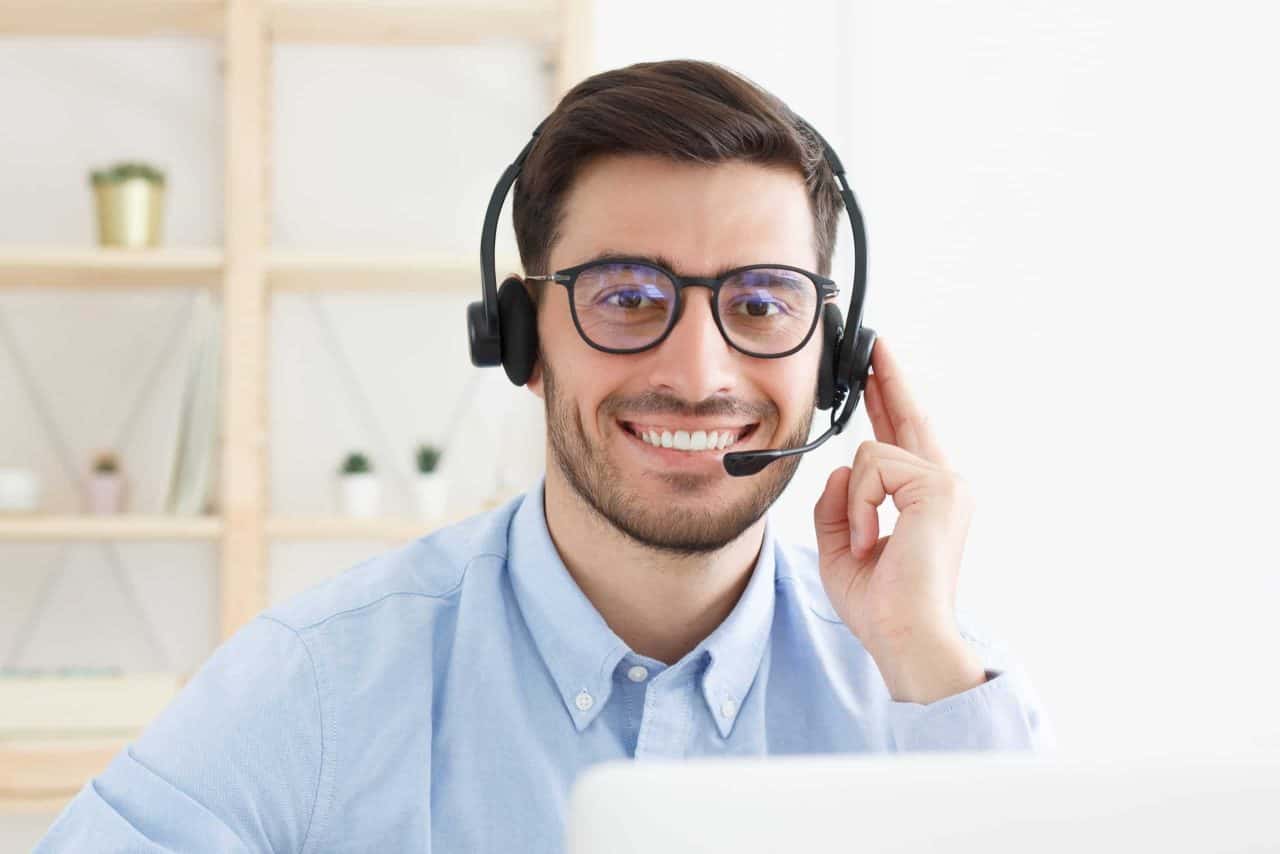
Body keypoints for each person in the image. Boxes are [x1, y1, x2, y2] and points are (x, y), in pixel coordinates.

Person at [37, 59, 1053, 853]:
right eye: (624, 296)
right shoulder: (319, 683)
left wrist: (921, 654)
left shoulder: (919, 685)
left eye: (757, 301)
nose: (698, 371)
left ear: (829, 354)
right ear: (521, 339)